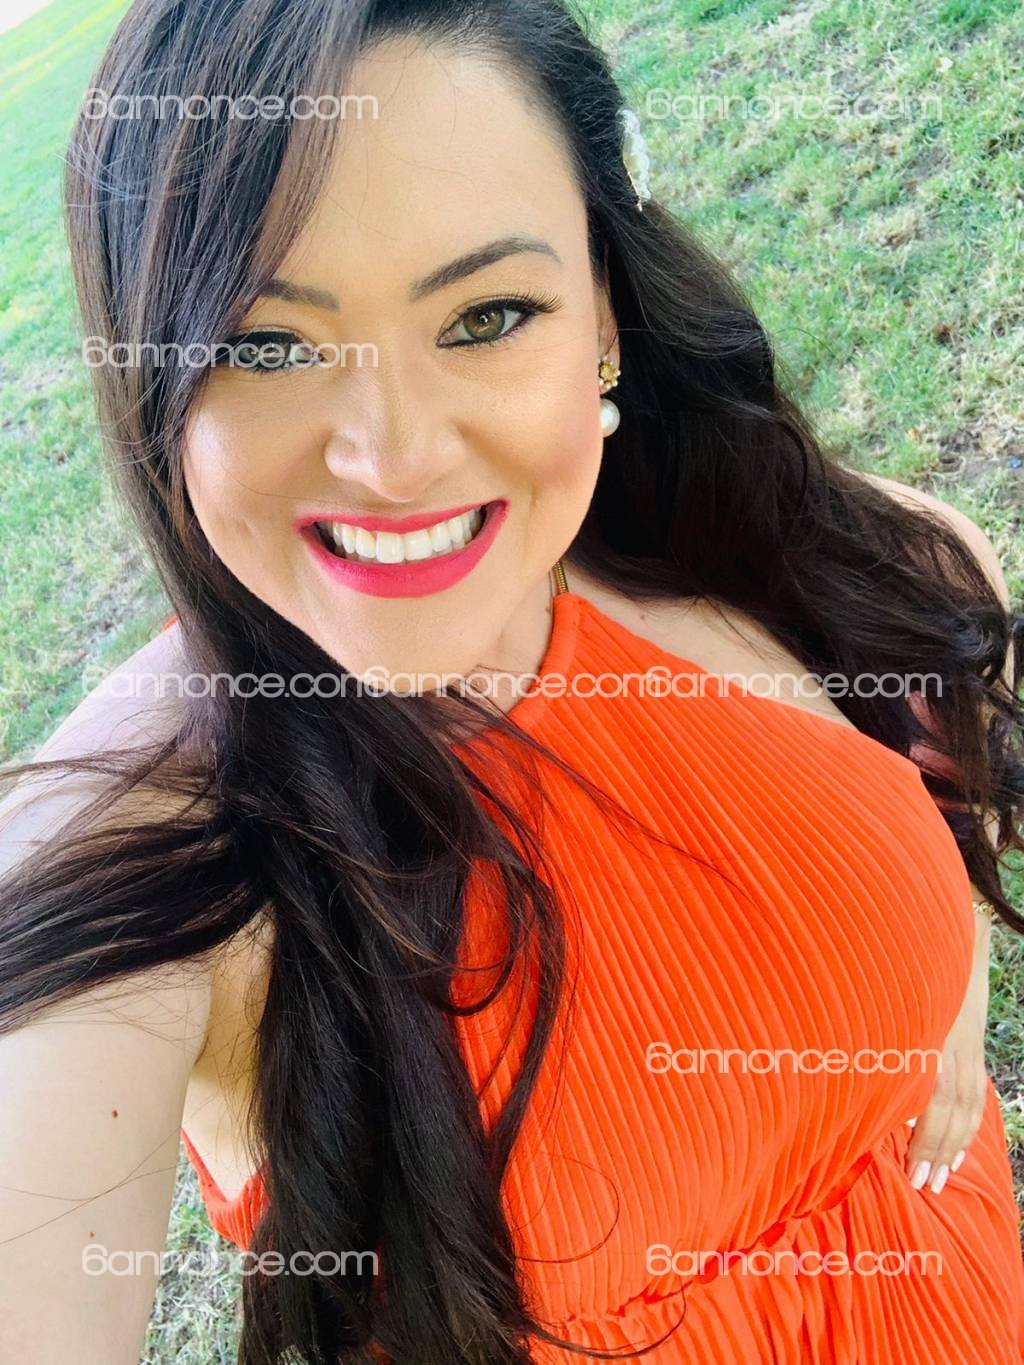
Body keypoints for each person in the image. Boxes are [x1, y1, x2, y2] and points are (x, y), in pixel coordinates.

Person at [1, 1, 1022, 1361]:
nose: (394, 457)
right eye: (265, 344)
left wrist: (941, 956)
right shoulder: (145, 838)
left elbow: (942, 604)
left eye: (487, 314)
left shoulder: (743, 551)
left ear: (602, 314)